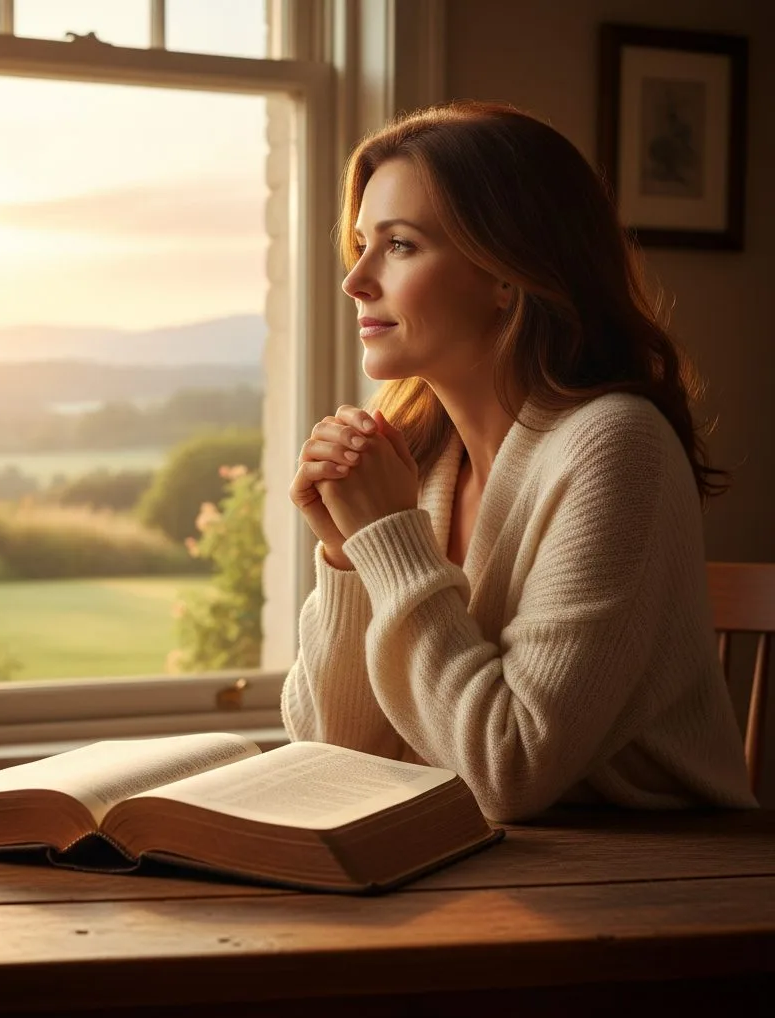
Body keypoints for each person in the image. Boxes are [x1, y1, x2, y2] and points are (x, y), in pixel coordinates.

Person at [281, 101, 757, 822]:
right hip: (495, 867)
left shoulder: (616, 446)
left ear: (507, 273)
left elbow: (510, 770)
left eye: (400, 245)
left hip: (657, 882)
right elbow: (333, 752)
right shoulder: (420, 456)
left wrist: (390, 542)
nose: (356, 280)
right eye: (360, 244)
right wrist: (349, 557)